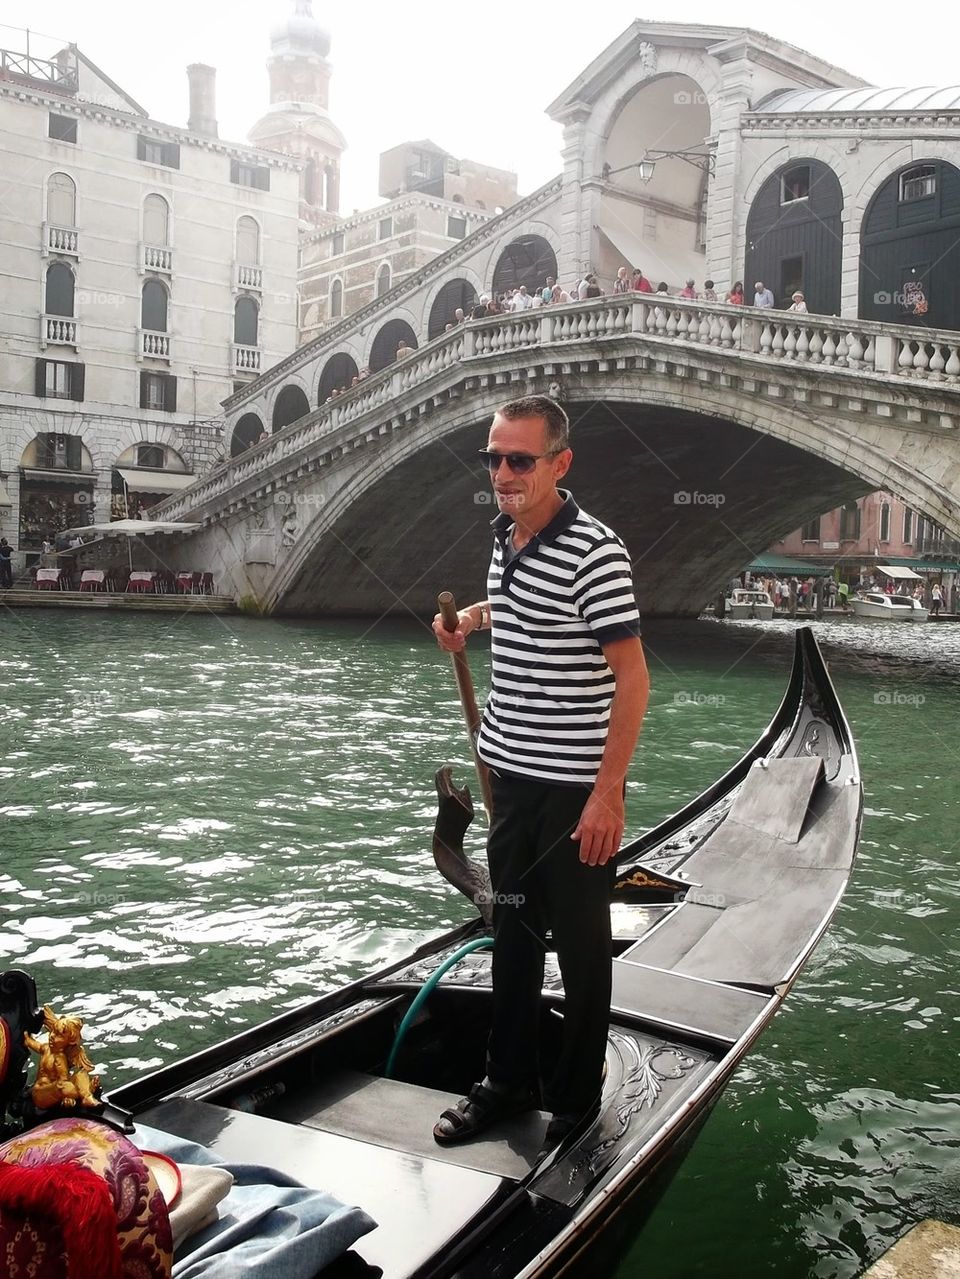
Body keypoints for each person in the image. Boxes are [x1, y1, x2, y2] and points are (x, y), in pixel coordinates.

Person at [431, 395, 649, 1158]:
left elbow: (633, 679)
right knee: (515, 936)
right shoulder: (506, 535)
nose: (502, 472)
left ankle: (577, 1096)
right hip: (513, 784)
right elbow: (517, 606)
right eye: (493, 458)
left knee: (583, 949)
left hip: (574, 793)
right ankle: (507, 1080)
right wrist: (471, 621)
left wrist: (607, 795)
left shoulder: (596, 553)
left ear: (560, 462)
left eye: (518, 459)